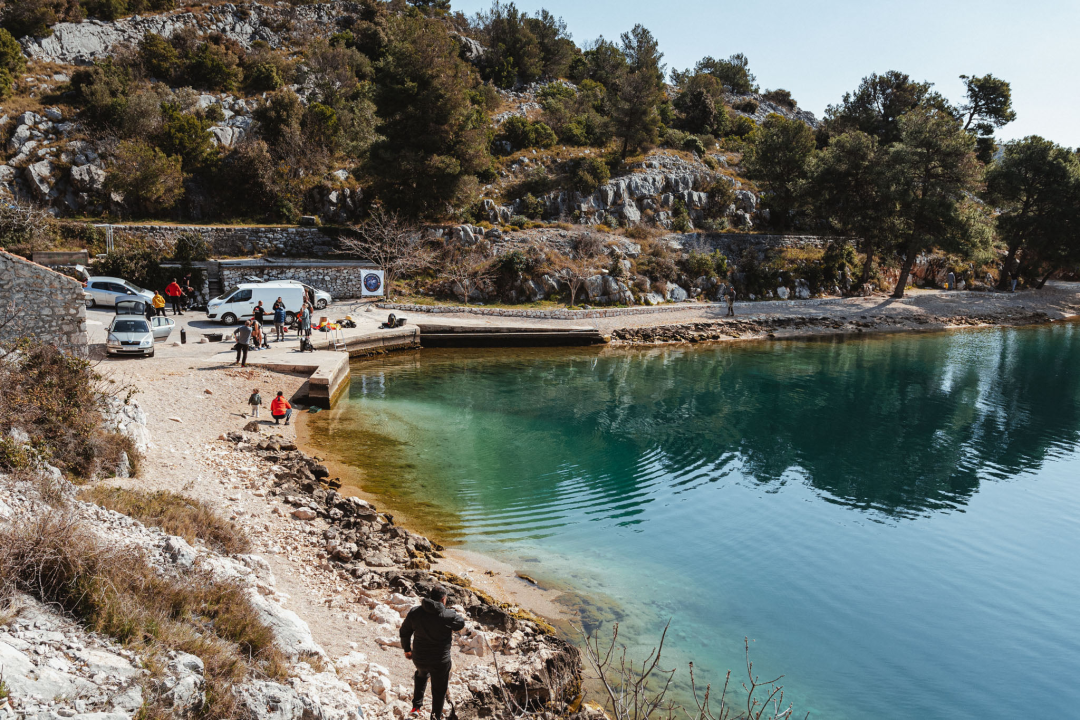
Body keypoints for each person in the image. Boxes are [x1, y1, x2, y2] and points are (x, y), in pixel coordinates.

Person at [400, 586, 465, 720]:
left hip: (419, 657)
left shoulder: (415, 612)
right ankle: (435, 716)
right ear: (443, 599)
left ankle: (416, 706)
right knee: (439, 689)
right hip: (440, 661)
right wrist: (450, 614)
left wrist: (407, 649)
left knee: (421, 674)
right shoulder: (448, 615)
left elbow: (404, 632)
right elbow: (460, 624)